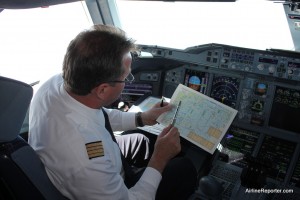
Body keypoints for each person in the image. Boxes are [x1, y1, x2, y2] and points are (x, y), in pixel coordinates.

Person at [29, 24, 197, 200]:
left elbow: (98, 114)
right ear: (102, 90)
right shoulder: (86, 163)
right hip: (114, 190)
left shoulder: (55, 85)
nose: (128, 82)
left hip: (94, 163)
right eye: (126, 78)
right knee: (183, 168)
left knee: (142, 141)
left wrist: (141, 118)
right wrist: (159, 159)